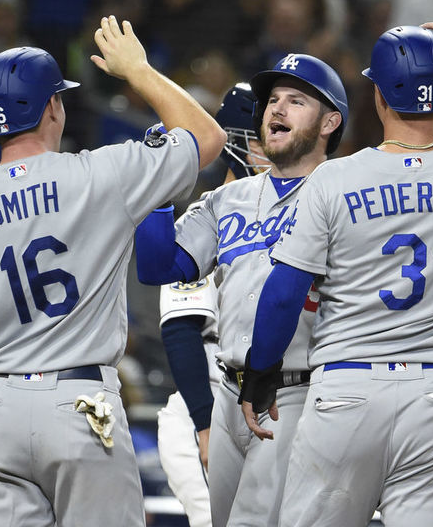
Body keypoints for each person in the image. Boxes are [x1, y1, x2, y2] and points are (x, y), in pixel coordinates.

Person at [0, 16, 226, 526]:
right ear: (53, 105)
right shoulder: (101, 173)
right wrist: (136, 70)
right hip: (79, 401)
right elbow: (206, 136)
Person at [240, 3, 433, 526]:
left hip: (346, 393)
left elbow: (285, 291)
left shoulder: (335, 178)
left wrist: (260, 375)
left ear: (376, 93)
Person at [135, 61, 348, 527]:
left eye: (296, 100)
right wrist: (159, 181)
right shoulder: (226, 200)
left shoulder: (347, 192)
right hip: (229, 393)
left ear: (330, 122)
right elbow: (157, 267)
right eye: (273, 100)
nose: (277, 107)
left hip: (300, 391)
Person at [151, 85, 269, 527]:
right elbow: (179, 331)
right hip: (206, 406)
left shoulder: (293, 215)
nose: (272, 145)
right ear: (238, 141)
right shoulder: (206, 218)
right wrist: (204, 428)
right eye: (261, 135)